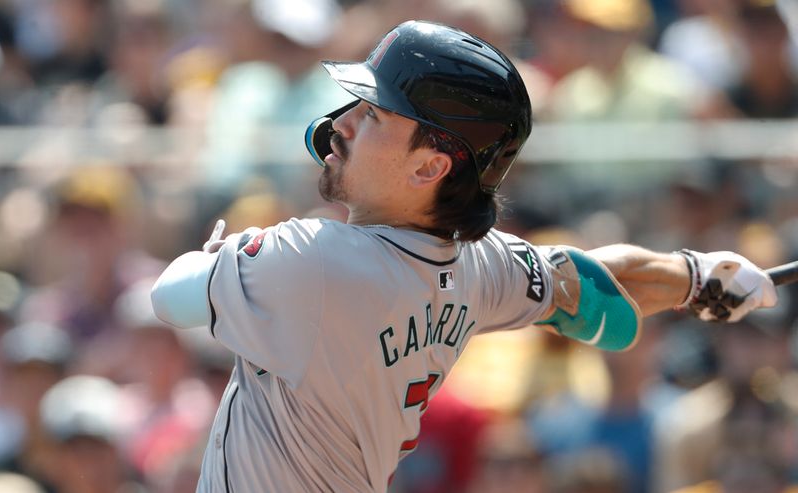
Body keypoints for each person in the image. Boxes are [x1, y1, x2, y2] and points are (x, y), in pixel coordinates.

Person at [150, 20, 778, 493]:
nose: (341, 123)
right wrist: (694, 277)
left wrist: (222, 252)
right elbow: (590, 281)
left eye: (371, 115)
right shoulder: (477, 268)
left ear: (430, 165)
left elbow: (169, 297)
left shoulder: (311, 260)